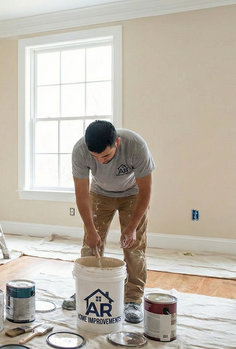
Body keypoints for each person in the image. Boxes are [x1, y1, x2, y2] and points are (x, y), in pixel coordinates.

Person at [68, 120, 155, 323]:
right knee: (91, 245)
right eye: (94, 156)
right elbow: (81, 193)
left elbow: (145, 191)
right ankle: (84, 290)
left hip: (133, 194)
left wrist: (132, 228)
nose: (100, 161)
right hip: (99, 194)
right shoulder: (80, 151)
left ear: (117, 142)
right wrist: (90, 229)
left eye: (105, 155)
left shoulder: (136, 146)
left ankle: (132, 299)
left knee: (134, 247)